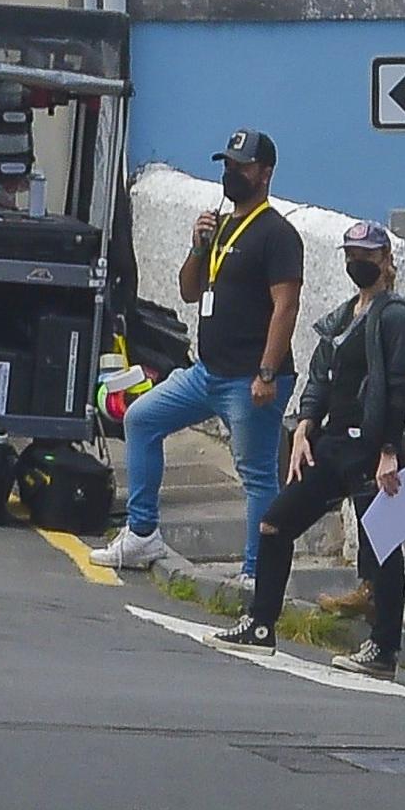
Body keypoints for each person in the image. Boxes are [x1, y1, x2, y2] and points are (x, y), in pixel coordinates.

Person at [208, 222, 405, 674]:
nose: (356, 263)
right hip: (332, 444)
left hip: (373, 449)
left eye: (366, 255)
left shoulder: (398, 318)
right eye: (350, 254)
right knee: (275, 524)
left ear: (386, 261)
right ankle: (261, 623)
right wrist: (305, 425)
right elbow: (320, 378)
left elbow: (400, 389)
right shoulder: (343, 318)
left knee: (382, 548)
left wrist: (389, 450)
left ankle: (384, 648)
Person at [92, 128, 304, 578]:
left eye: (241, 167)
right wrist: (197, 246)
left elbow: (286, 305)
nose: (231, 173)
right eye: (227, 165)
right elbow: (190, 291)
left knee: (256, 475)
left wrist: (267, 372)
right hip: (206, 373)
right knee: (141, 418)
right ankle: (142, 533)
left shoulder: (277, 234)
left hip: (250, 378)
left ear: (264, 174)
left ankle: (256, 573)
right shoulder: (222, 227)